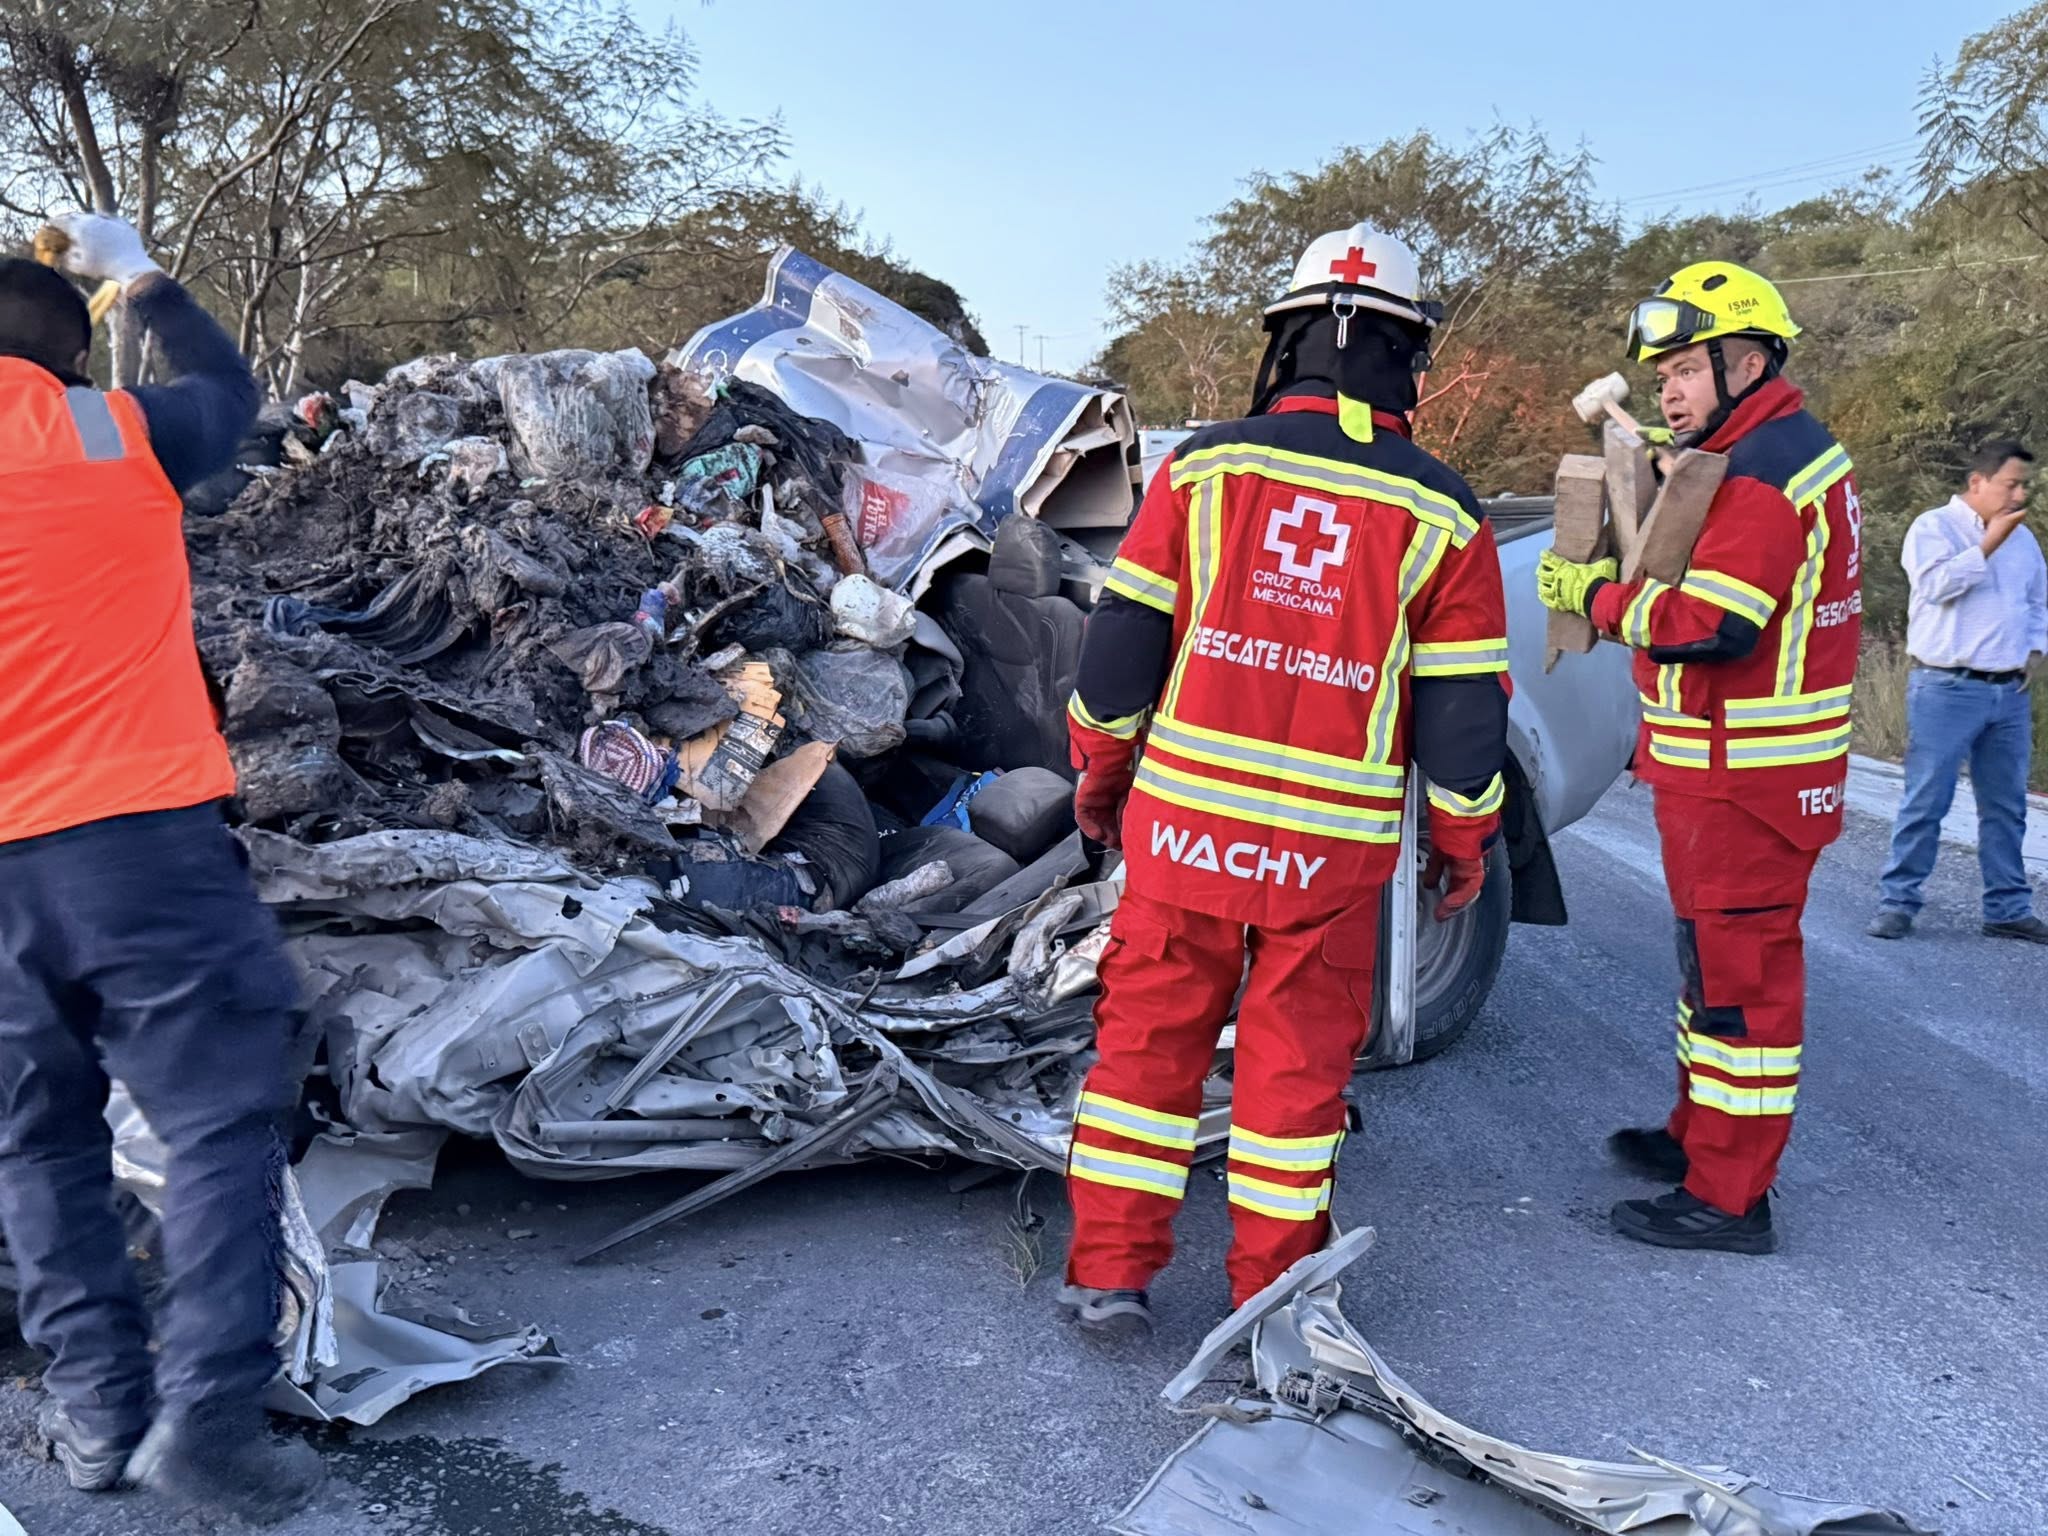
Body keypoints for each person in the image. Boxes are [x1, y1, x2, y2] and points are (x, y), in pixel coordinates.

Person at [1058, 225, 1510, 1335]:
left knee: (1144, 1059)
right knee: (1293, 1086)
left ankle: (1108, 1277)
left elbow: (1118, 662)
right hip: (1329, 857)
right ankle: (1272, 1302)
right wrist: (1461, 848)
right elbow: (1461, 723)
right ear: (1407, 355)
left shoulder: (1201, 470)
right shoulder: (1442, 513)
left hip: (1184, 836)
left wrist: (1098, 778)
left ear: (1285, 341)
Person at [0, 215, 323, 1521]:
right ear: (77, 361)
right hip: (136, 843)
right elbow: (231, 397)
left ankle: (99, 1416)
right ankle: (207, 1425)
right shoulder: (108, 437)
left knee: (36, 1145)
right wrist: (141, 276)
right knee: (222, 1119)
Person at [1538, 261, 1860, 1256]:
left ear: (1747, 360)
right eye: (1661, 373)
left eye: (1682, 369)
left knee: (1738, 996)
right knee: (1706, 979)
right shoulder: (1760, 454)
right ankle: (1696, 1138)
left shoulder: (1763, 471)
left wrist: (1587, 595)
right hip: (1725, 781)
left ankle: (1727, 1198)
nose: (1666, 390)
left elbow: (1708, 625)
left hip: (1744, 789)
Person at [1867, 442, 2047, 943]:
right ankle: (1898, 903)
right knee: (1927, 800)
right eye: (2011, 484)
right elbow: (1936, 588)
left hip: (2008, 692)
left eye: (2024, 485)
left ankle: (2007, 907)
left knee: (2007, 805)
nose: (2020, 493)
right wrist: (1989, 542)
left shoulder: (2024, 540)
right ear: (1977, 483)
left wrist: (2034, 650)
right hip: (1946, 686)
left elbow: (2037, 602)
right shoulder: (1932, 528)